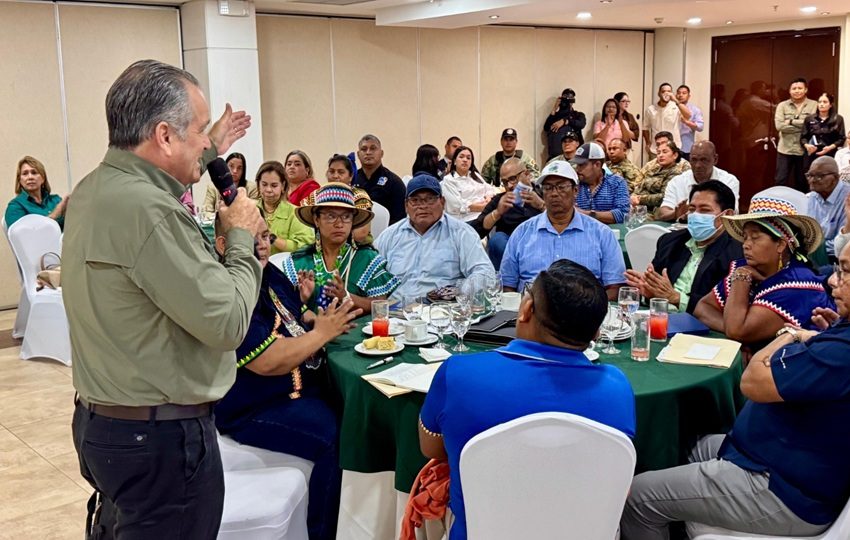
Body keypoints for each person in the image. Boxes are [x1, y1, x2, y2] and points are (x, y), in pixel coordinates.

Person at [65, 59, 260, 538]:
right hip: (160, 440)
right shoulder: (150, 210)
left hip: (105, 423)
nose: (204, 144)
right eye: (196, 132)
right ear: (164, 136)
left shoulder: (94, 190)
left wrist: (209, 141)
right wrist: (241, 240)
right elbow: (228, 322)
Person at [621, 243, 850, 539]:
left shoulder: (833, 341)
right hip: (770, 451)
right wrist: (818, 339)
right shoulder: (838, 335)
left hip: (782, 488)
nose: (832, 280)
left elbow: (752, 379)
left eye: (845, 271)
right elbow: (716, 315)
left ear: (782, 244)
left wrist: (790, 334)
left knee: (638, 498)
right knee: (682, 446)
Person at [420, 259, 636, 540]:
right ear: (596, 333)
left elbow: (431, 447)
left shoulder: (459, 373)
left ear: (525, 310)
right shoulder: (617, 387)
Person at [214, 217, 360, 540]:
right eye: (253, 238)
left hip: (301, 392)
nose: (263, 245)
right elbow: (266, 362)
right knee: (334, 437)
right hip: (257, 407)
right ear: (224, 245)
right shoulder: (229, 291)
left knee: (355, 411)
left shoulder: (267, 272)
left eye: (267, 236)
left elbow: (298, 316)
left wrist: (321, 298)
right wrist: (322, 332)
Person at [694, 186, 835, 347]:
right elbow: (703, 308)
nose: (746, 245)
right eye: (745, 237)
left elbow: (737, 330)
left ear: (781, 245)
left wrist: (741, 280)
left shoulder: (799, 284)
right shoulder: (746, 267)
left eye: (755, 237)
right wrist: (742, 337)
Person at [501, 160, 626, 299]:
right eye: (548, 187)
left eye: (561, 187)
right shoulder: (522, 233)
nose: (554, 193)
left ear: (575, 191)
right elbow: (507, 286)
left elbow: (615, 288)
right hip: (533, 313)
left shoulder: (601, 234)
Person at [625, 181, 742, 314]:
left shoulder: (737, 254)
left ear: (728, 215)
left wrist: (676, 298)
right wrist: (648, 293)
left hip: (702, 327)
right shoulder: (670, 241)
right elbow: (654, 290)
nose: (696, 215)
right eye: (692, 209)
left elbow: (723, 308)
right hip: (661, 317)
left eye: (705, 210)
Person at [374, 173, 494, 300]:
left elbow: (486, 274)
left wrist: (457, 291)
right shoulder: (389, 236)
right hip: (395, 313)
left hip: (441, 311)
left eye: (430, 199)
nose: (423, 206)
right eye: (415, 200)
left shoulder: (462, 233)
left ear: (442, 202)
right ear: (406, 206)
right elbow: (370, 271)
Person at [285, 183, 399, 313]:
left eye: (346, 217)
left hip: (355, 331)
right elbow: (283, 306)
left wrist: (346, 296)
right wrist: (303, 299)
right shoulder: (299, 261)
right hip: (311, 331)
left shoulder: (367, 259)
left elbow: (380, 305)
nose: (339, 224)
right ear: (316, 220)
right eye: (331, 216)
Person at [470, 157, 545, 270]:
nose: (509, 186)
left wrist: (542, 205)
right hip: (510, 250)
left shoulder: (544, 193)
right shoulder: (501, 200)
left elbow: (563, 219)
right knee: (497, 239)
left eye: (513, 179)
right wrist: (497, 213)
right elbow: (478, 229)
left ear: (527, 174)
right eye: (505, 182)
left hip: (540, 245)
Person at [657, 140, 740, 222]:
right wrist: (676, 213)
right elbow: (663, 212)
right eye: (694, 160)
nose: (698, 165)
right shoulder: (677, 182)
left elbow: (732, 213)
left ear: (715, 159)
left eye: (703, 160)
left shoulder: (728, 181)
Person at [256, 160, 314, 255]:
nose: (268, 190)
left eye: (274, 185)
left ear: (283, 186)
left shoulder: (295, 212)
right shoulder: (249, 209)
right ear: (258, 185)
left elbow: (305, 245)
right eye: (264, 184)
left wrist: (272, 238)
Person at [774, 77, 818, 192]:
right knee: (780, 180)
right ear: (789, 91)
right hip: (785, 149)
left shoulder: (814, 105)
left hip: (804, 149)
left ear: (805, 90)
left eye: (800, 88)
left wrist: (791, 122)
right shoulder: (782, 106)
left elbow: (813, 126)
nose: (797, 91)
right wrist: (802, 126)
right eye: (794, 88)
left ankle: (802, 208)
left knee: (802, 182)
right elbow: (779, 126)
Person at [353, 134, 407, 225]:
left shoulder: (394, 182)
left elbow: (400, 218)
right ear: (358, 154)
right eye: (364, 149)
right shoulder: (352, 180)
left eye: (373, 148)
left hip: (387, 234)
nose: (368, 152)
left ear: (381, 153)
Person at [571, 142, 630, 224]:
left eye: (581, 165)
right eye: (577, 165)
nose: (577, 169)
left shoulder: (617, 183)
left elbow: (623, 214)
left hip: (610, 233)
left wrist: (586, 214)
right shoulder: (573, 184)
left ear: (597, 165)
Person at [5, 156, 68, 229]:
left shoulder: (56, 200)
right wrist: (54, 215)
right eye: (25, 174)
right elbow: (25, 236)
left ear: (43, 178)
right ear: (20, 180)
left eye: (34, 172)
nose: (30, 177)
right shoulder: (15, 206)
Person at [806, 156, 850, 260]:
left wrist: (814, 248)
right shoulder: (812, 196)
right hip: (813, 252)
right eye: (810, 175)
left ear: (835, 178)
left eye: (819, 176)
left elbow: (844, 243)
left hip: (838, 258)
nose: (812, 180)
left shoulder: (847, 198)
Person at [441, 146, 498, 221]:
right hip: (465, 219)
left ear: (471, 163)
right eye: (461, 157)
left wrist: (488, 198)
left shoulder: (475, 175)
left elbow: (489, 189)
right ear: (454, 161)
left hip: (484, 214)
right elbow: (457, 206)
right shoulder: (449, 180)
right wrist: (484, 207)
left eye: (468, 158)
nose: (465, 160)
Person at [325, 153, 372, 243]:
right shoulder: (319, 195)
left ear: (350, 176)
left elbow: (360, 234)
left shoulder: (360, 197)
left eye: (341, 172)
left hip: (356, 248)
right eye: (331, 171)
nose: (335, 176)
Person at [631, 139, 684, 217]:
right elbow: (640, 186)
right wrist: (633, 197)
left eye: (665, 152)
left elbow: (664, 196)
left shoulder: (675, 172)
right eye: (658, 153)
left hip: (655, 212)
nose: (660, 155)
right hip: (639, 208)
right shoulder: (654, 169)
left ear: (675, 155)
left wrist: (640, 199)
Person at [202, 152, 259, 218]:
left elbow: (255, 211)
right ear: (225, 167)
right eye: (231, 166)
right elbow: (206, 211)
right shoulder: (213, 187)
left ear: (243, 171)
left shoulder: (252, 188)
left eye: (239, 168)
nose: (235, 171)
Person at [801, 92, 846, 172]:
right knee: (810, 177)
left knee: (827, 177)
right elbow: (803, 137)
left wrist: (830, 148)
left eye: (825, 102)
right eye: (819, 102)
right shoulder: (809, 119)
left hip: (830, 153)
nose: (821, 104)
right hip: (812, 153)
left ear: (830, 104)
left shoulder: (838, 119)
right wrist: (807, 146)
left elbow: (841, 138)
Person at [643, 83, 690, 157]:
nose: (666, 94)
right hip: (656, 149)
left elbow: (688, 115)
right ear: (659, 93)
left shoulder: (676, 106)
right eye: (663, 91)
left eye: (669, 91)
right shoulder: (650, 109)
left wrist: (676, 100)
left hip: (674, 148)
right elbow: (645, 128)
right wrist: (648, 143)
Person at [543, 88, 587, 161]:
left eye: (570, 99)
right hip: (555, 156)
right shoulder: (555, 116)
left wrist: (565, 121)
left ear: (573, 101)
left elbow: (581, 124)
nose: (567, 102)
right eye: (565, 98)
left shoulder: (577, 115)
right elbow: (546, 127)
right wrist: (554, 108)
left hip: (573, 157)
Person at [676, 85, 704, 161]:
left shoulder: (695, 110)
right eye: (678, 93)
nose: (680, 95)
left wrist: (687, 122)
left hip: (686, 147)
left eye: (684, 93)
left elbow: (700, 127)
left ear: (689, 96)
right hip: (672, 147)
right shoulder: (671, 108)